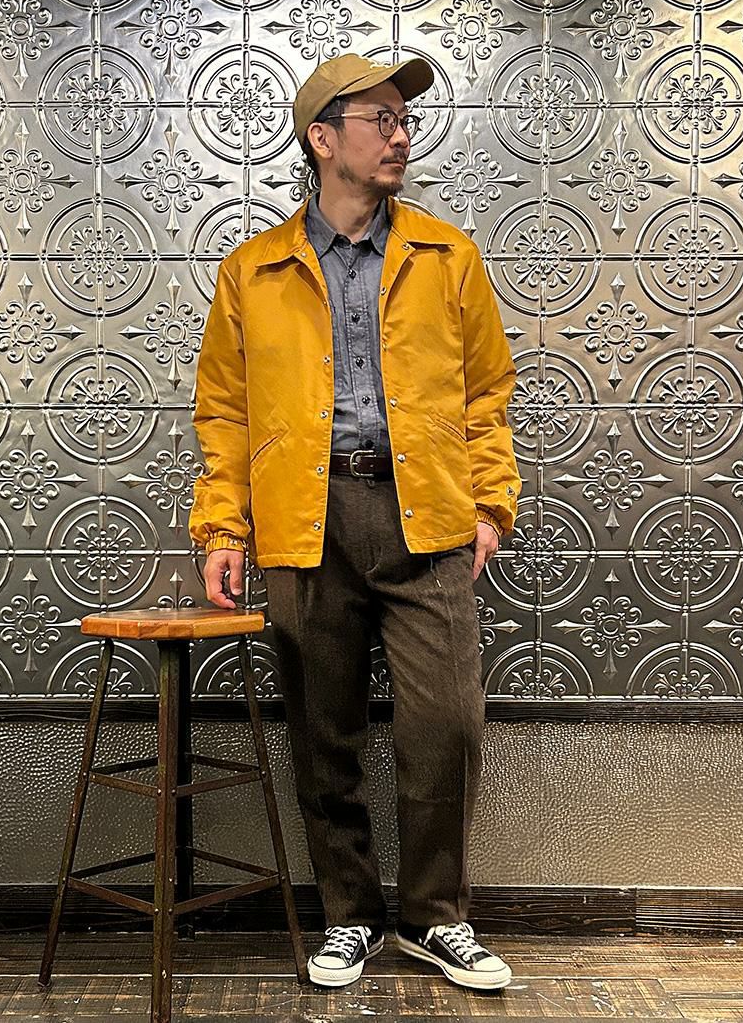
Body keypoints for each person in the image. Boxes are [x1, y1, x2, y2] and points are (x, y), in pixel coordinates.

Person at [188, 53, 521, 992]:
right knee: (322, 730)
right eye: (380, 119)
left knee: (446, 728)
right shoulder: (252, 272)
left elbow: (488, 392)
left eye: (403, 120)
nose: (400, 135)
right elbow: (224, 410)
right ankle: (351, 917)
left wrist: (489, 504)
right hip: (305, 516)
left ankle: (435, 918)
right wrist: (224, 529)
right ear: (322, 139)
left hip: (428, 515)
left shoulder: (448, 256)